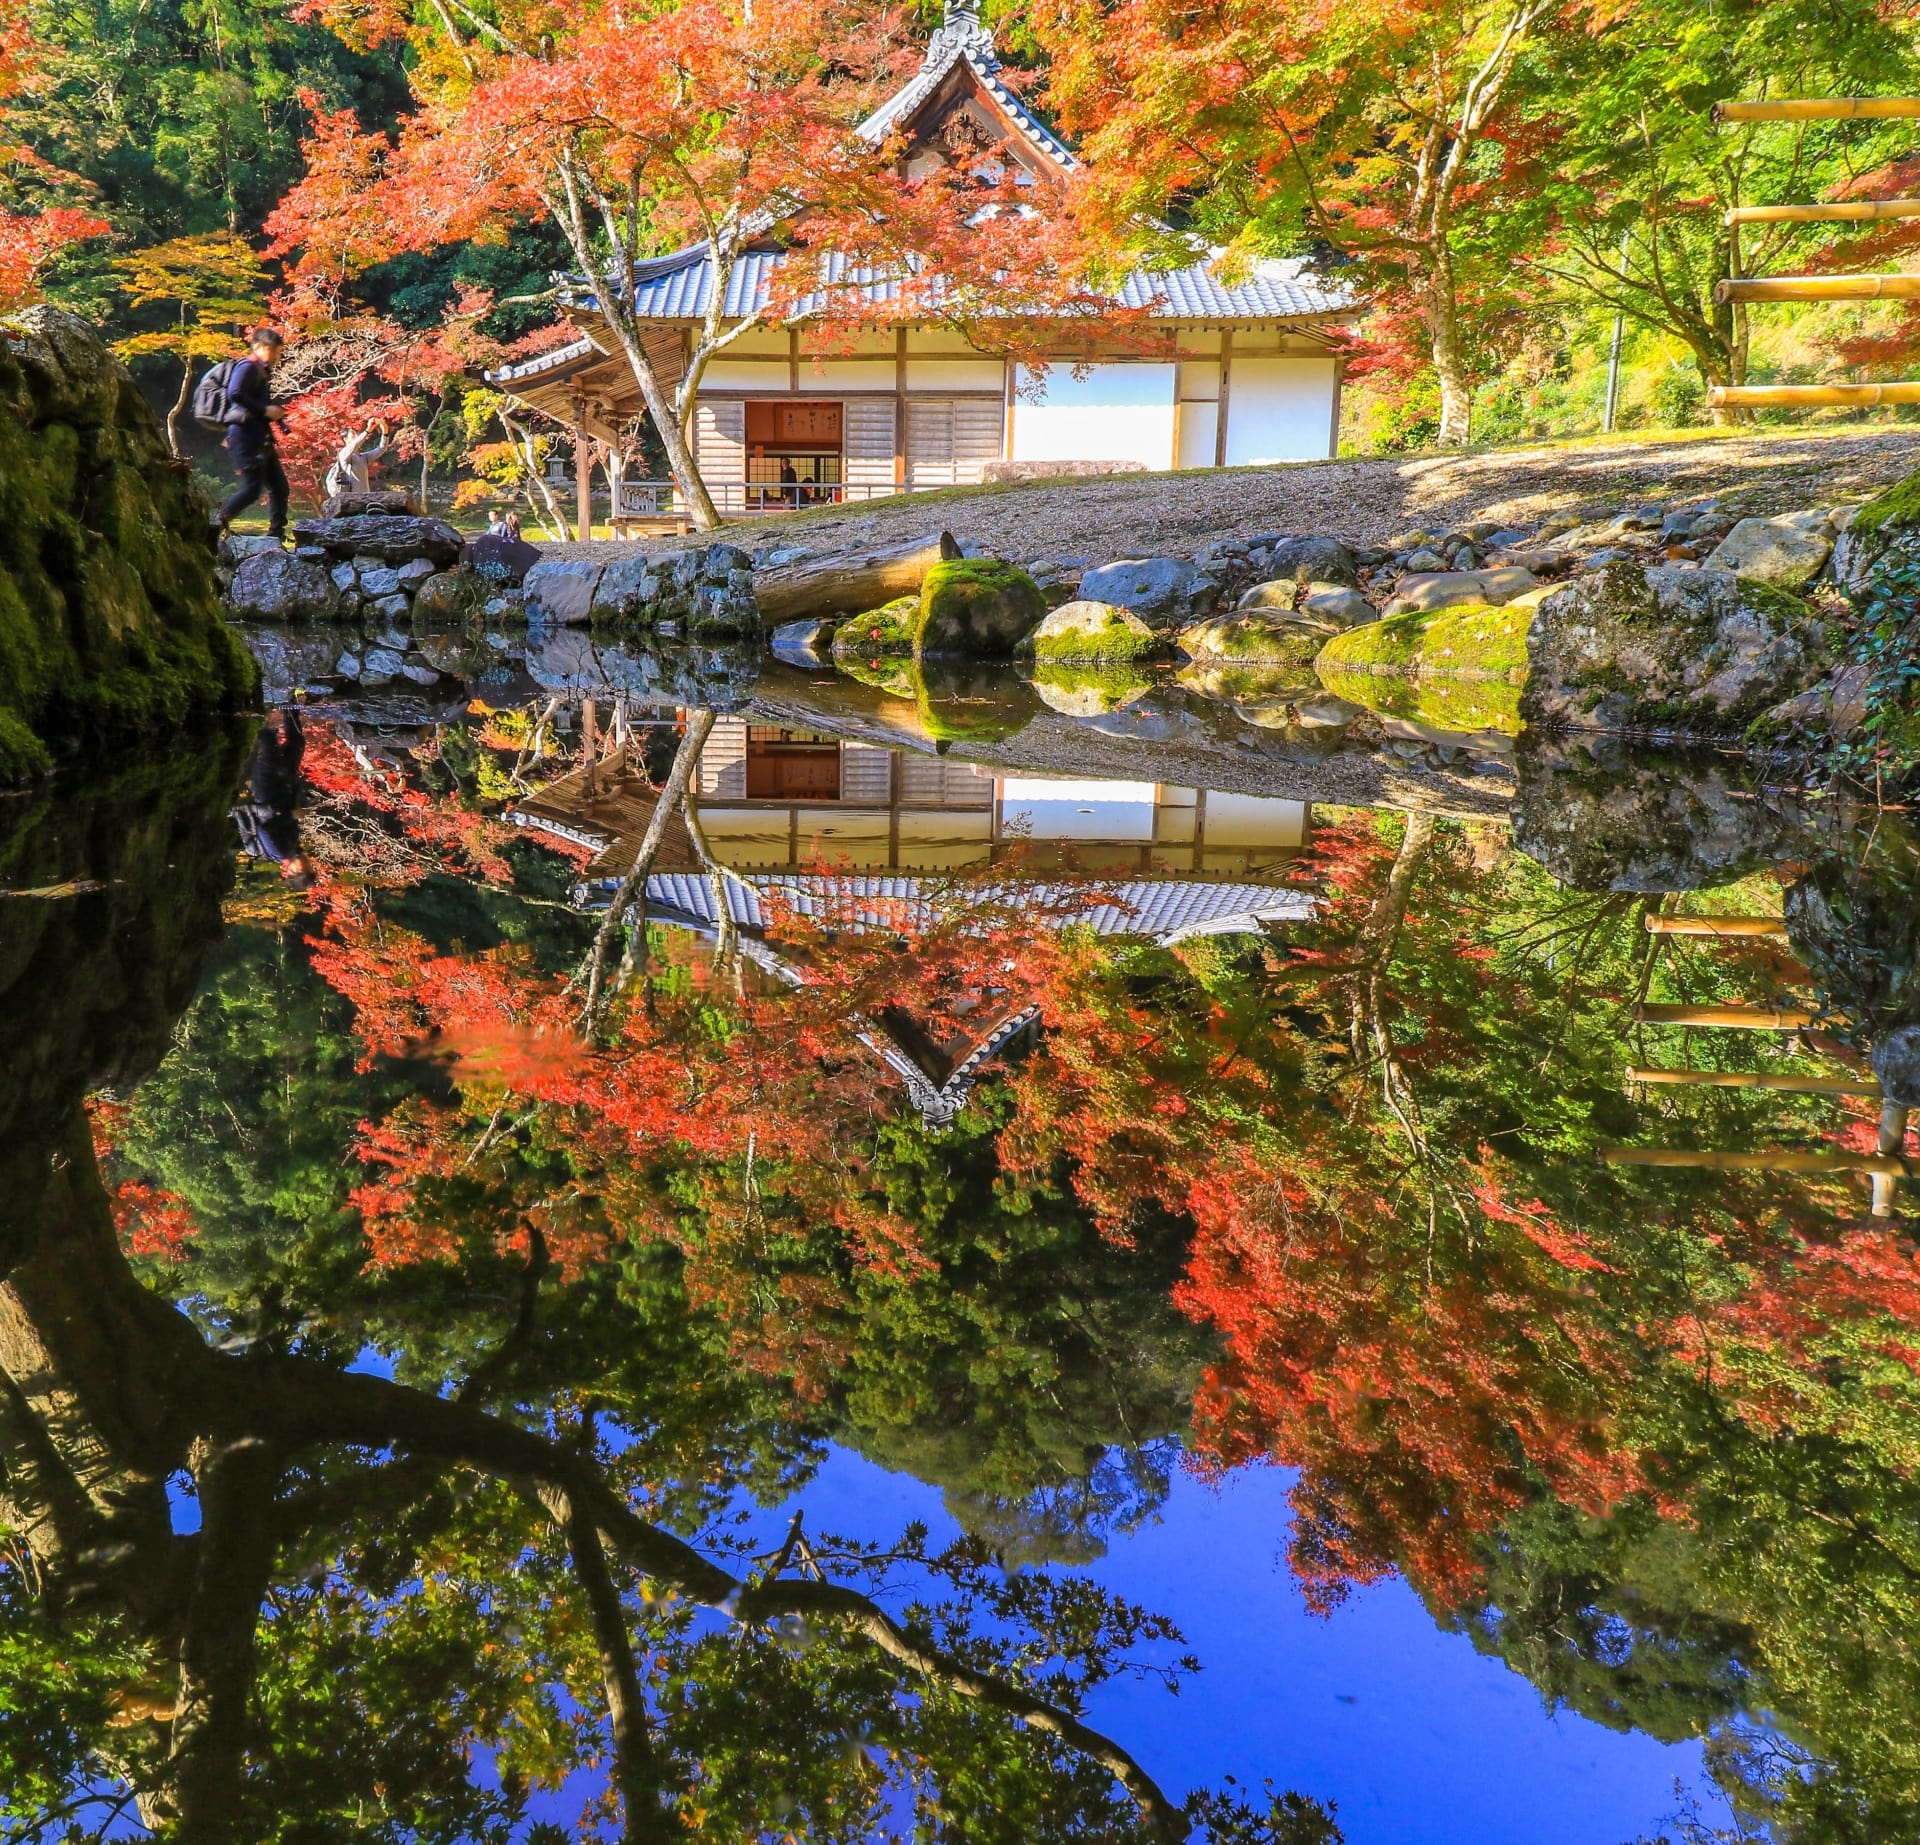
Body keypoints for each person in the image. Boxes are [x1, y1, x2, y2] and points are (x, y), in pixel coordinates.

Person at [215, 327, 289, 541]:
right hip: (246, 438)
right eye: (273, 351)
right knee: (251, 489)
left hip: (260, 438)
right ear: (259, 347)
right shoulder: (247, 367)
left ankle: (276, 535)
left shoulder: (261, 372)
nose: (277, 356)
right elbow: (235, 392)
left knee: (279, 487)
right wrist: (265, 410)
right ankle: (213, 524)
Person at [231, 708, 311, 888]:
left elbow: (264, 830)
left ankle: (255, 707)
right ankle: (291, 704)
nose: (308, 863)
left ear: (292, 871)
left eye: (305, 868)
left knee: (267, 740)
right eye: (309, 867)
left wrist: (292, 815)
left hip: (268, 790)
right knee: (297, 742)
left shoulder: (279, 852)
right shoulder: (292, 847)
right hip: (285, 786)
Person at [324, 416, 388, 499]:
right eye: (353, 434)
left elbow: (381, 449)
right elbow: (355, 445)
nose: (356, 436)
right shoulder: (343, 454)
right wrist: (368, 430)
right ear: (345, 439)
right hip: (350, 500)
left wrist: (385, 431)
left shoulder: (363, 457)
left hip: (365, 498)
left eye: (355, 433)